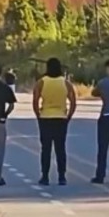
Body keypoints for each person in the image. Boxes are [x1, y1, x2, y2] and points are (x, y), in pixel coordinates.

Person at [32, 57, 77, 186]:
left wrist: (38, 115)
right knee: (60, 148)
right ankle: (62, 176)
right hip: (61, 118)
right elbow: (73, 102)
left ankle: (45, 176)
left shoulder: (41, 82)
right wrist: (68, 116)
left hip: (45, 118)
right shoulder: (66, 83)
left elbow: (35, 101)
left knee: (46, 149)